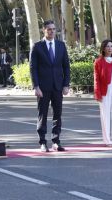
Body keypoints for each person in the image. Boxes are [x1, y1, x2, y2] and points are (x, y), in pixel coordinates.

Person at [30, 20, 70, 152]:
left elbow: (66, 67)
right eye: (49, 29)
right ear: (44, 30)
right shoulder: (37, 47)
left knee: (57, 114)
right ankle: (42, 142)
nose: (52, 31)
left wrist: (66, 85)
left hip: (58, 86)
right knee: (43, 114)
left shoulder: (61, 46)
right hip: (43, 87)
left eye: (53, 29)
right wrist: (36, 86)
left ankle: (56, 141)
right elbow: (33, 68)